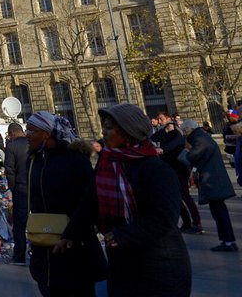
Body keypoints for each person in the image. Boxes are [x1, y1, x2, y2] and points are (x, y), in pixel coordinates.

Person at [63, 104, 189, 297]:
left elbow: (164, 218)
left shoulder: (155, 169)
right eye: (103, 127)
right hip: (122, 263)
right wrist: (71, 233)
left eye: (109, 128)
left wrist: (124, 235)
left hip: (160, 263)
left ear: (128, 131)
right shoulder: (108, 163)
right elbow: (90, 202)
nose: (103, 132)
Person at [25, 111, 106, 296]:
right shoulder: (35, 160)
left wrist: (72, 234)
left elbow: (89, 203)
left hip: (73, 250)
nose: (27, 135)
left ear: (46, 133)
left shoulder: (76, 161)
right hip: (43, 249)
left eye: (31, 131)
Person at [181, 119, 237, 251]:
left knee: (219, 213)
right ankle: (228, 241)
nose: (185, 133)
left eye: (185, 131)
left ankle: (228, 242)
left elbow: (192, 157)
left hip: (212, 181)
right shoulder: (203, 137)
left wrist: (185, 151)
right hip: (214, 180)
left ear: (189, 129)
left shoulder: (200, 140)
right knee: (219, 212)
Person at [150, 111, 200, 233]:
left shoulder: (177, 131)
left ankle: (197, 222)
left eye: (161, 119)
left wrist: (163, 149)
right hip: (169, 168)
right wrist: (164, 130)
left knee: (184, 195)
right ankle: (186, 222)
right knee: (176, 197)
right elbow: (153, 138)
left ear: (168, 118)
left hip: (179, 168)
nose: (159, 121)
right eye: (158, 119)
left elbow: (177, 143)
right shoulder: (165, 131)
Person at [3, 122, 31, 265]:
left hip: (20, 187)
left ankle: (19, 255)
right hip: (35, 186)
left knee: (20, 223)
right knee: (37, 218)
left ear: (12, 133)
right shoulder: (32, 143)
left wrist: (12, 186)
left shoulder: (11, 146)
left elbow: (9, 169)